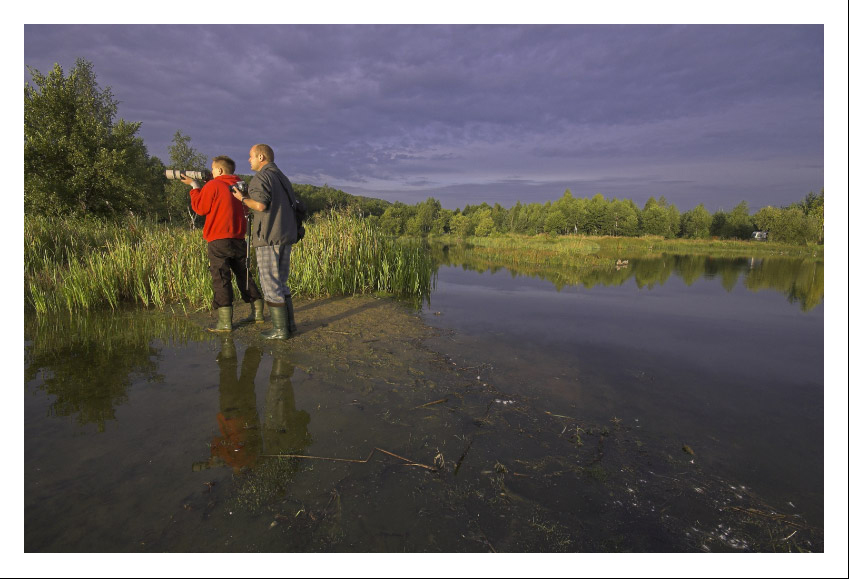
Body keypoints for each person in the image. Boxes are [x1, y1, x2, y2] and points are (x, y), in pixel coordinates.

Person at [182, 156, 263, 332]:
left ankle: (225, 323)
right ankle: (257, 314)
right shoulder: (241, 185)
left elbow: (200, 208)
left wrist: (194, 187)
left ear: (219, 170)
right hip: (239, 238)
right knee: (244, 274)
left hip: (218, 239)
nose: (211, 172)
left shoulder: (213, 185)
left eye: (212, 169)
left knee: (221, 278)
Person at [230, 144, 299, 340]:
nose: (249, 160)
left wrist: (242, 198)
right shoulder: (282, 177)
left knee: (270, 284)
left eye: (251, 157)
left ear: (261, 157)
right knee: (282, 283)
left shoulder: (262, 177)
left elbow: (260, 205)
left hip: (269, 237)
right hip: (286, 236)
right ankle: (290, 326)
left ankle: (280, 330)